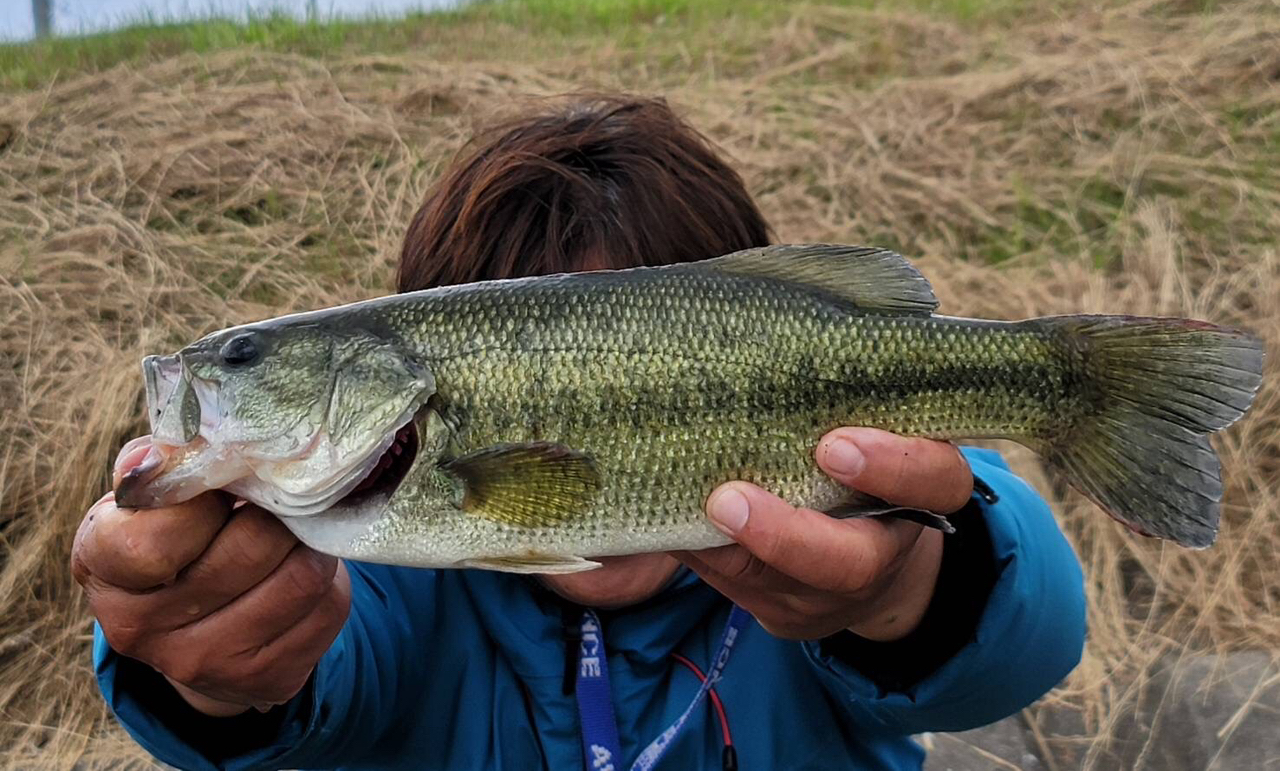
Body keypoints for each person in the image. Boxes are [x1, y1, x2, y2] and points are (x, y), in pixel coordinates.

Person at [73, 96, 1086, 771]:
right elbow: (308, 690)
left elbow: (1018, 631)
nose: (211, 373)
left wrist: (916, 588)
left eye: (243, 356)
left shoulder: (844, 572)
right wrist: (218, 662)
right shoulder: (374, 575)